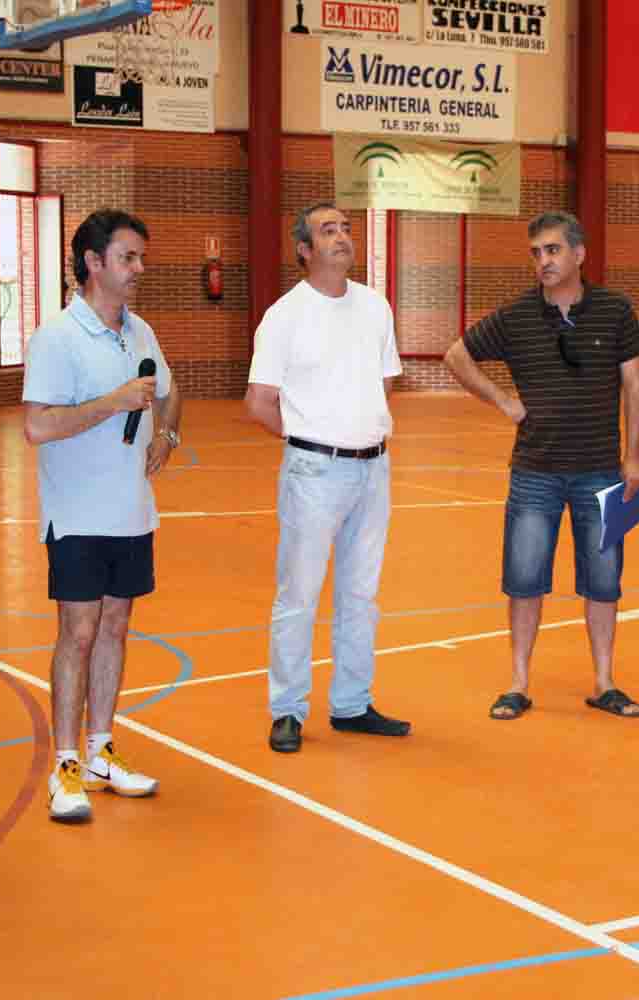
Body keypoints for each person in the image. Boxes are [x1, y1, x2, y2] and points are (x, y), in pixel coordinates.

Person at [443, 211, 639, 721]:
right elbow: (456, 356)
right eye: (536, 253)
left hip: (603, 473)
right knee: (524, 578)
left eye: (553, 250)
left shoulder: (616, 310)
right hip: (534, 473)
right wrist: (501, 399)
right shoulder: (516, 316)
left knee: (605, 581)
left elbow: (636, 387)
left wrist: (634, 457)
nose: (543, 261)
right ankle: (518, 684)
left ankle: (604, 682)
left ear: (579, 254)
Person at [23, 209, 183, 820]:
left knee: (115, 630)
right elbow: (37, 425)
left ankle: (99, 751)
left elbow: (169, 393)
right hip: (78, 516)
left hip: (131, 513)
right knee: (79, 635)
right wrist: (112, 402)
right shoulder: (58, 338)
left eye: (141, 257)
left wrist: (167, 435)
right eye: (129, 257)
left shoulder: (141, 332)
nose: (140, 268)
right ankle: (63, 766)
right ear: (94, 263)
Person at [246, 201, 410, 753]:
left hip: (373, 468)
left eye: (345, 229)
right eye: (328, 231)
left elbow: (385, 381)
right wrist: (310, 438)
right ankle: (287, 710)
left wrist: (357, 429)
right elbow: (260, 401)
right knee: (299, 594)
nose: (342, 237)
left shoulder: (374, 307)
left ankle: (352, 704)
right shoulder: (285, 316)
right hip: (314, 470)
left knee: (361, 594)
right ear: (304, 249)